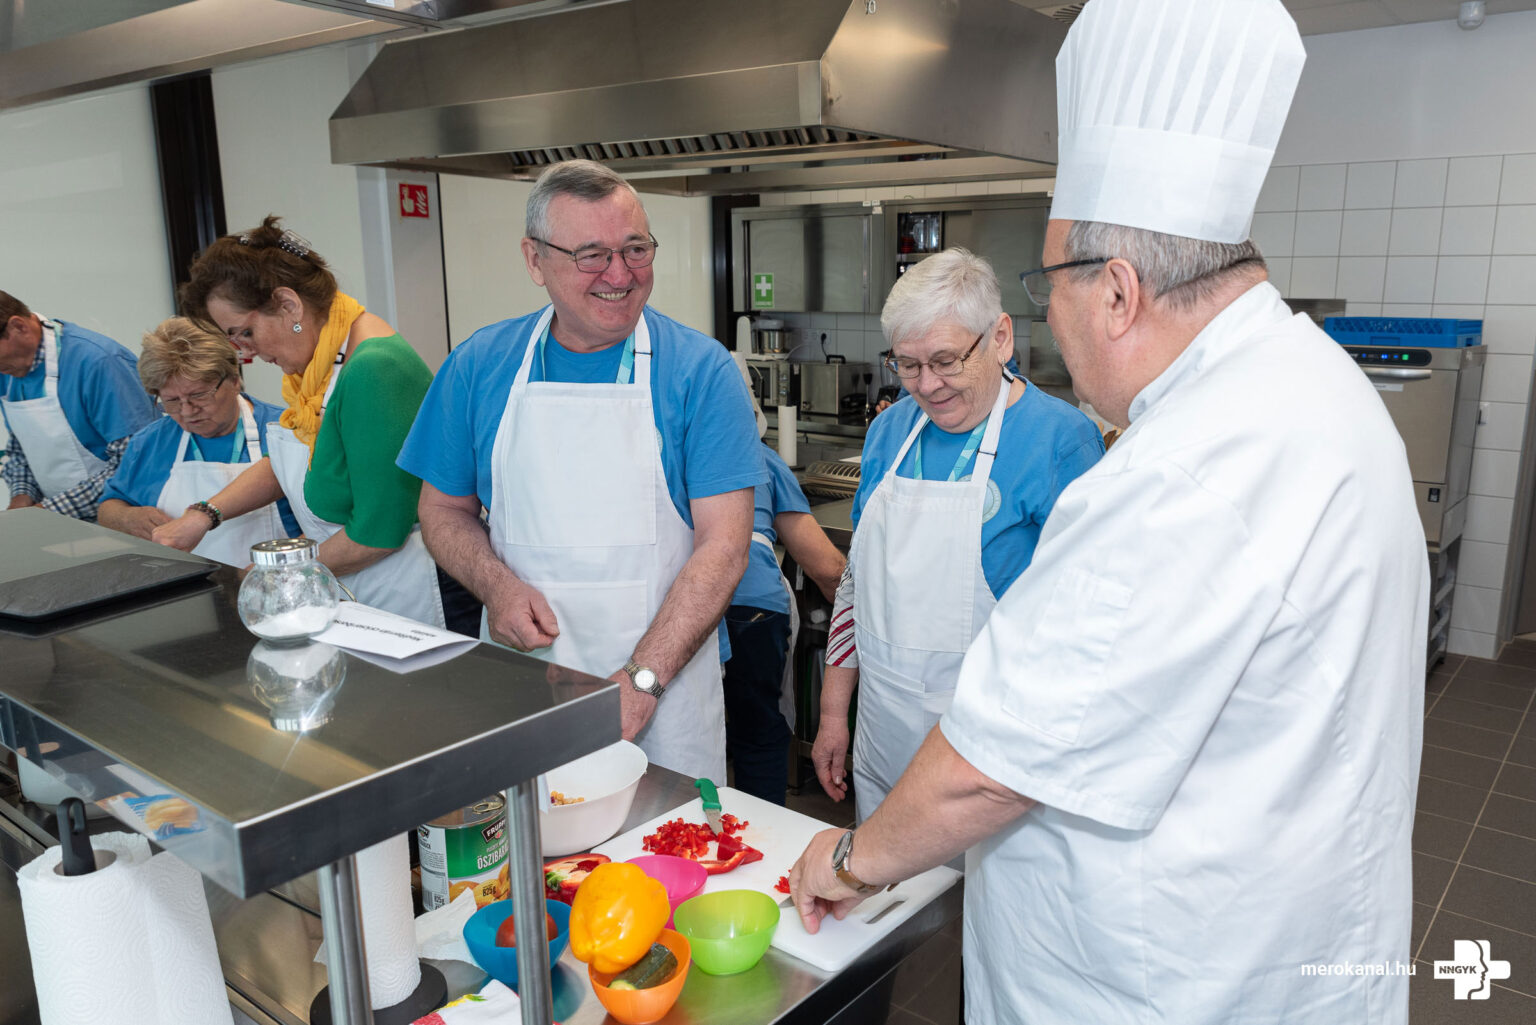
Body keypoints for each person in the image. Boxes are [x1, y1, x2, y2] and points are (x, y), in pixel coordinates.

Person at [789, 3, 1427, 1024]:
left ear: (1119, 292)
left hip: (1161, 974)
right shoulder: (1312, 386)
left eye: (1050, 289)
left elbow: (992, 770)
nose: (1051, 317)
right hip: (1268, 923)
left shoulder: (1181, 467)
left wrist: (852, 858)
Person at [399, 160, 764, 783]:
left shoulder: (700, 371)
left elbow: (725, 546)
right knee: (528, 832)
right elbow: (441, 510)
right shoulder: (479, 365)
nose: (619, 275)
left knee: (662, 839)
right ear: (535, 260)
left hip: (662, 689)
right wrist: (495, 586)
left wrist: (642, 679)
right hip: (522, 680)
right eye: (591, 255)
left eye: (635, 249)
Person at [811, 249, 1103, 823]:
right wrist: (832, 715)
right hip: (883, 730)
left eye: (945, 361)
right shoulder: (890, 431)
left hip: (993, 745)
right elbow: (854, 587)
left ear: (1000, 338)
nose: (927, 385)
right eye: (907, 365)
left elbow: (1084, 625)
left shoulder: (1060, 441)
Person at [152, 217, 450, 627]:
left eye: (245, 333)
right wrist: (204, 514)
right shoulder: (321, 368)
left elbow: (377, 533)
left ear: (289, 305)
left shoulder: (374, 370)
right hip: (358, 583)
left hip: (408, 589)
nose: (245, 354)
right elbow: (292, 462)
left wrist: (280, 574)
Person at [98, 318, 300, 563]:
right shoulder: (150, 442)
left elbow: (325, 527)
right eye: (171, 401)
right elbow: (108, 508)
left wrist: (282, 563)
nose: (187, 411)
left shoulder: (287, 432)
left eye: (199, 395)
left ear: (234, 380)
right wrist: (127, 518)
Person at [724, 441, 845, 805]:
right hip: (753, 607)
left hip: (675, 607)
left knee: (686, 734)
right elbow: (828, 569)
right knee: (758, 736)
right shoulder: (760, 457)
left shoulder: (662, 448)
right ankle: (761, 832)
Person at [1, 291, 157, 519]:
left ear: (18, 327)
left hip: (122, 516)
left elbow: (135, 464)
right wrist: (21, 498)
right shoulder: (9, 369)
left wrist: (45, 513)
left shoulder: (99, 363)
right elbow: (21, 448)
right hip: (58, 517)